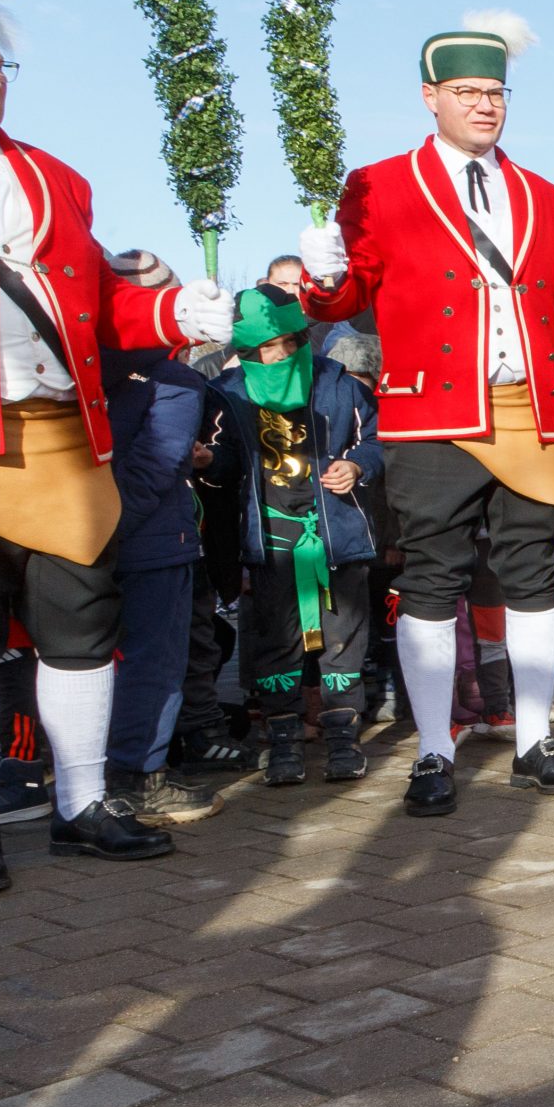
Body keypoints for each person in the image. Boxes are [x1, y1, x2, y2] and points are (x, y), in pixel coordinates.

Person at [296, 24, 554, 815]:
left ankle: (534, 739)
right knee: (431, 579)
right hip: (432, 411)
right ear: (430, 97)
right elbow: (347, 299)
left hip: (529, 408)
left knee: (535, 574)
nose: (485, 104)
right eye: (467, 92)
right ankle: (434, 749)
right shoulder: (377, 184)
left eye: (495, 92)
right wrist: (324, 275)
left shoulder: (545, 194)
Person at [0, 0, 232, 898]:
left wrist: (174, 311)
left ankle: (83, 802)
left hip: (63, 435)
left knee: (82, 626)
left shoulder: (58, 178)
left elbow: (95, 308)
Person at [216, 287, 385, 785]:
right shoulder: (227, 393)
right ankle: (284, 744)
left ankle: (343, 741)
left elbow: (378, 439)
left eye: (288, 342)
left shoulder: (339, 383)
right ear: (247, 349)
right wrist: (208, 461)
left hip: (336, 538)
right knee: (276, 646)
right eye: (265, 347)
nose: (278, 354)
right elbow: (222, 465)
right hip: (268, 543)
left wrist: (358, 465)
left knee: (343, 643)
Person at [97, 272, 225, 826]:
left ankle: (80, 778)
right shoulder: (174, 379)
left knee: (80, 663)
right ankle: (137, 779)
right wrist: (109, 528)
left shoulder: (77, 368)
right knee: (154, 662)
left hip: (72, 536)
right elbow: (157, 464)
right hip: (149, 542)